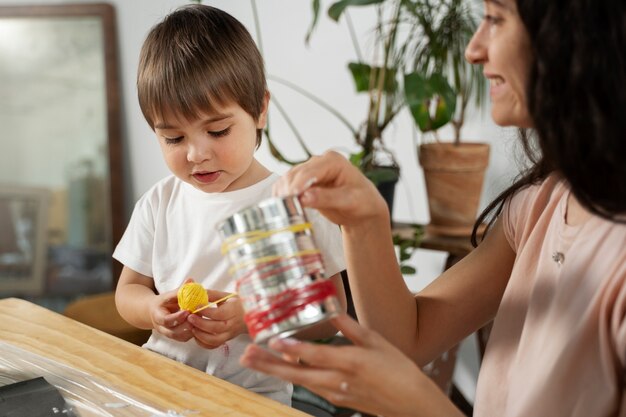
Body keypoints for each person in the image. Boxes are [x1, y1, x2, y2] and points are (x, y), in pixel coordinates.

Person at [240, 0, 626, 415]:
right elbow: (410, 337)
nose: (473, 49)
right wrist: (365, 222)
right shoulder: (540, 206)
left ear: (582, 37)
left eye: (495, 19)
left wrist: (421, 406)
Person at [113, 4, 346, 406]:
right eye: (173, 139)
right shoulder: (159, 202)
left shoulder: (291, 202)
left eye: (217, 130)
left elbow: (331, 312)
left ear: (260, 110)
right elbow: (127, 292)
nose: (195, 154)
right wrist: (152, 309)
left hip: (252, 398)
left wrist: (253, 315)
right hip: (160, 384)